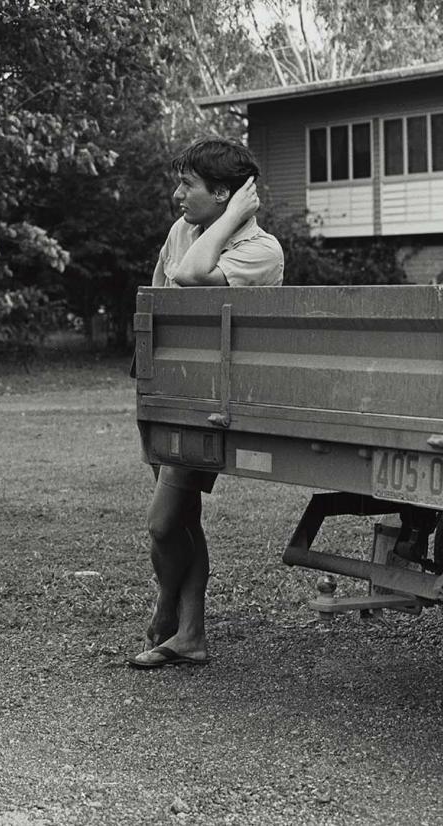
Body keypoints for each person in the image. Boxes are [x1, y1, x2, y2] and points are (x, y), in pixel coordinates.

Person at [128, 137, 284, 670]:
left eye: (188, 185)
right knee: (183, 519)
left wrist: (234, 216)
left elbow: (191, 277)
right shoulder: (183, 231)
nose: (177, 195)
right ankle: (190, 634)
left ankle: (168, 607)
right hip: (170, 392)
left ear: (224, 194)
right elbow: (158, 300)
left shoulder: (261, 251)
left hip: (214, 402)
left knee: (164, 523)